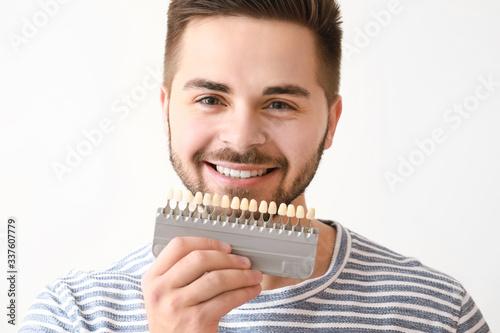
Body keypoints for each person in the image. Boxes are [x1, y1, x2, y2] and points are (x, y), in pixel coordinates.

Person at [21, 0, 489, 332]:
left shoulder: (436, 313)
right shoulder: (73, 316)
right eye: (209, 98)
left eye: (280, 104)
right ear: (167, 110)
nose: (242, 138)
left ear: (331, 123)